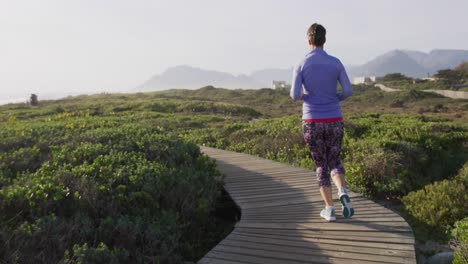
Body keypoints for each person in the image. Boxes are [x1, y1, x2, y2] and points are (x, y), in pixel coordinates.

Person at [290, 23, 354, 222]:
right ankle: (342, 189)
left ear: (308, 41)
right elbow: (348, 90)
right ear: (324, 41)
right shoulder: (335, 63)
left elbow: (293, 94)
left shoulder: (301, 63)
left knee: (320, 165)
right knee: (334, 160)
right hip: (334, 119)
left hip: (312, 121)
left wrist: (305, 97)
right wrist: (335, 98)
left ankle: (329, 209)